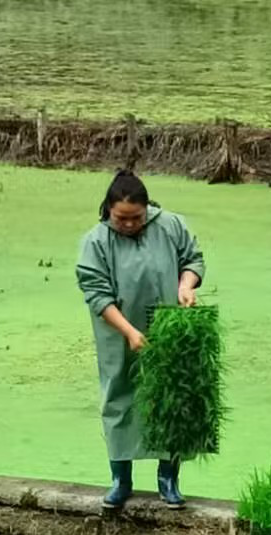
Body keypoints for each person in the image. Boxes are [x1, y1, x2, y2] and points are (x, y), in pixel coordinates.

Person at [76, 169, 206, 510]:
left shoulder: (171, 225)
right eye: (122, 218)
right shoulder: (95, 242)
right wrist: (129, 332)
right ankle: (121, 479)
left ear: (148, 209)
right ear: (108, 210)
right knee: (119, 398)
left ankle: (168, 479)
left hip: (168, 329)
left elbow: (192, 259)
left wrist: (185, 286)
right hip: (119, 335)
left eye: (137, 217)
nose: (130, 224)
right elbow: (97, 294)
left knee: (171, 399)